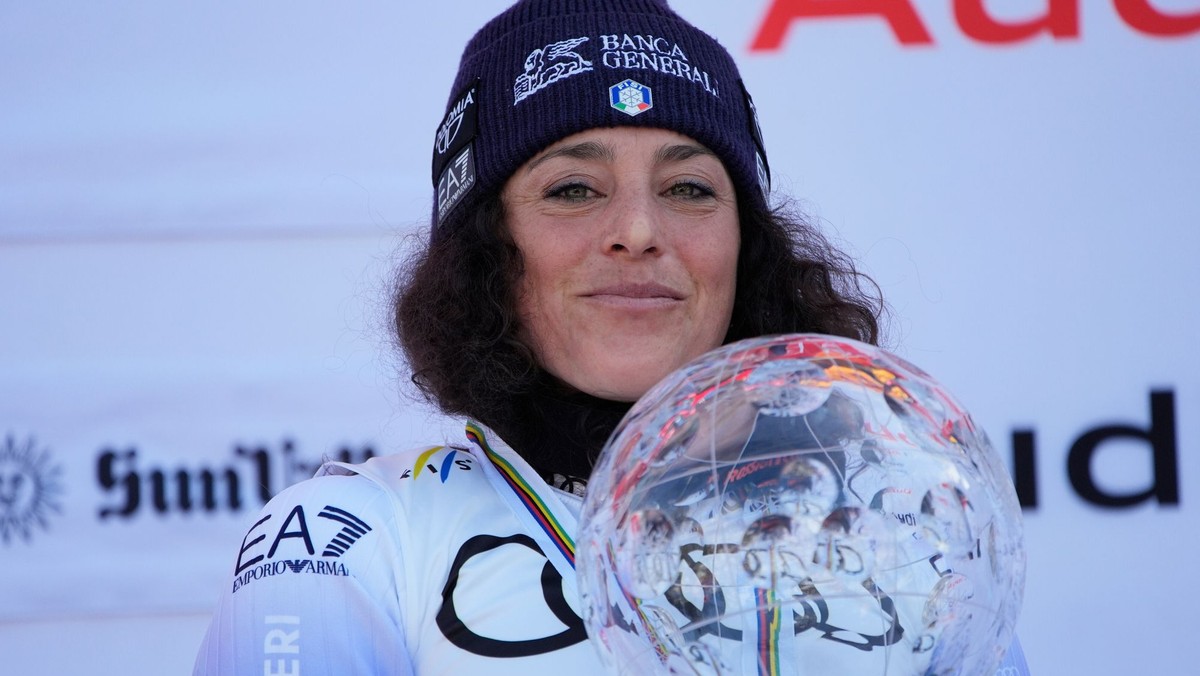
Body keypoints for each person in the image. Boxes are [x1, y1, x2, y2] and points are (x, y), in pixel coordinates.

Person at [194, 1, 1028, 674]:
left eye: (689, 187)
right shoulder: (349, 543)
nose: (638, 230)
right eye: (574, 188)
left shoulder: (892, 533)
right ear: (486, 250)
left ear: (749, 248)